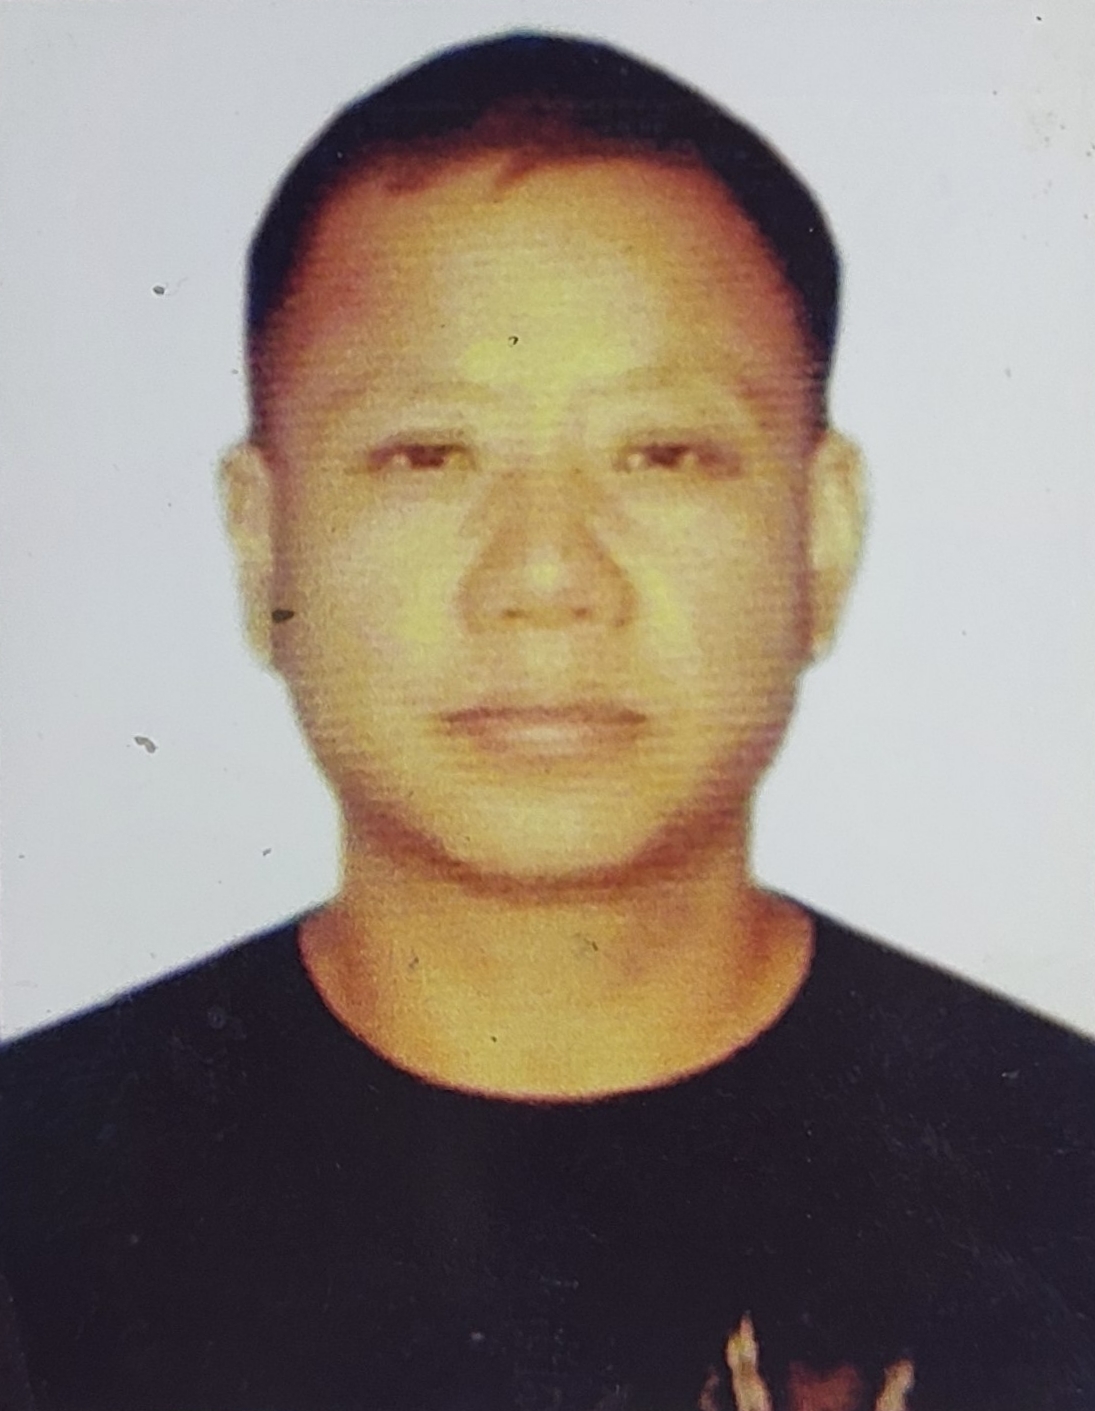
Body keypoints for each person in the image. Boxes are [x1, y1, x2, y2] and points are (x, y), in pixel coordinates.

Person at [1, 31, 1092, 1411]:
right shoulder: (36, 1202)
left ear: (820, 538)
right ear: (263, 545)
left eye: (663, 453)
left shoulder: (1062, 1181)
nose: (545, 577)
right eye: (428, 453)